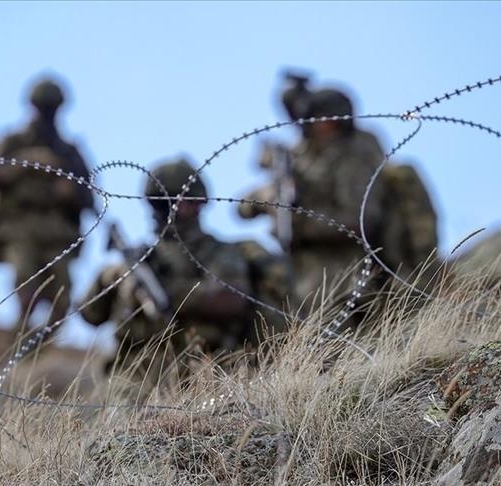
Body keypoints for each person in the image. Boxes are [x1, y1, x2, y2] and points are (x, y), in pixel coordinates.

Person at [78, 157, 288, 384]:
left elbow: (230, 299)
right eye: (159, 203)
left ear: (198, 204)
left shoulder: (220, 253)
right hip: (135, 382)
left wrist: (172, 292)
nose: (165, 210)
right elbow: (89, 314)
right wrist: (110, 279)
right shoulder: (136, 263)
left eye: (175, 202)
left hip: (204, 376)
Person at [240, 86, 390, 316]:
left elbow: (360, 220)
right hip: (304, 274)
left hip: (342, 275)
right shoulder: (302, 155)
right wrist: (268, 198)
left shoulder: (353, 159)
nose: (306, 124)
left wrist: (302, 225)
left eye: (315, 118)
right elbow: (244, 207)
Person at [0, 76, 95, 328]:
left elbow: (88, 199)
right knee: (27, 290)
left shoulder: (68, 153)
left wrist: (70, 192)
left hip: (56, 234)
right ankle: (19, 341)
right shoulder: (11, 145)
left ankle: (39, 346)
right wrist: (14, 171)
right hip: (18, 228)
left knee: (61, 298)